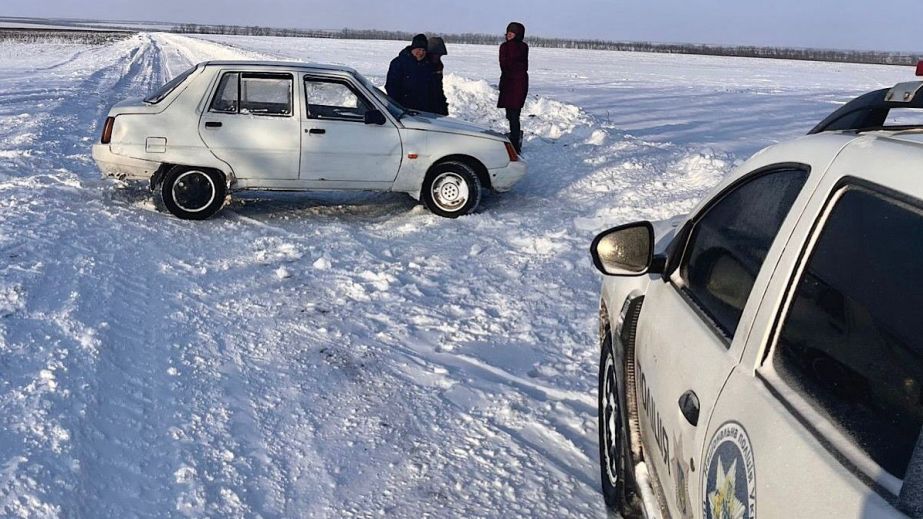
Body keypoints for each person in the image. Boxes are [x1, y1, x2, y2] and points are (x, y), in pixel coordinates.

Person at [386, 34, 439, 113]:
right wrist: (398, 109)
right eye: (419, 49)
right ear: (413, 49)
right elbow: (391, 86)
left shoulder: (428, 65)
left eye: (424, 50)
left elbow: (432, 90)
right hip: (403, 111)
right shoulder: (399, 63)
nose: (421, 53)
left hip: (424, 112)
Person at [498, 22, 529, 153]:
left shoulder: (521, 47)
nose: (509, 35)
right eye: (508, 33)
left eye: (512, 33)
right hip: (509, 83)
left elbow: (516, 64)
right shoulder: (505, 46)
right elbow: (504, 64)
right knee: (510, 114)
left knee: (514, 114)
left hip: (517, 84)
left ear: (518, 34)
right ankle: (515, 136)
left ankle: (515, 144)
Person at [427, 36, 449, 116]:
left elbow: (438, 87)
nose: (437, 57)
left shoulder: (439, 66)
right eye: (436, 54)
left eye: (440, 55)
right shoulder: (422, 66)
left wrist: (443, 105)